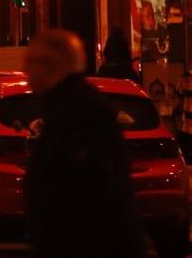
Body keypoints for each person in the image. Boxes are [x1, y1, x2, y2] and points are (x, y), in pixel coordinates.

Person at [23, 29, 144, 258]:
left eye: (32, 62)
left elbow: (98, 192)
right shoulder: (63, 109)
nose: (26, 70)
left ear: (52, 66)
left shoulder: (78, 115)